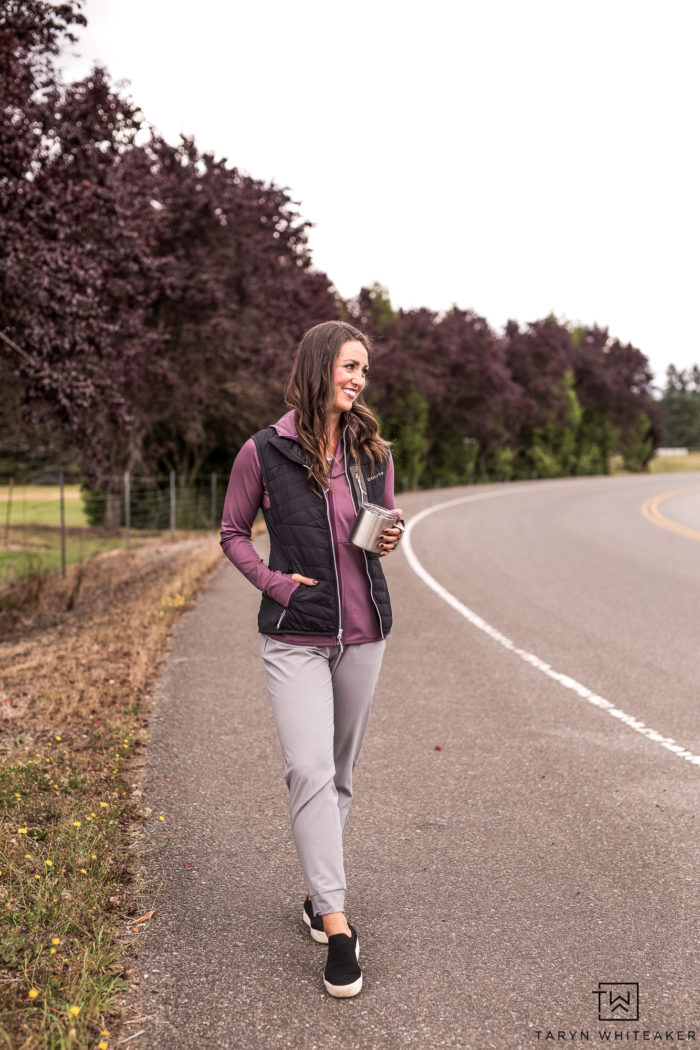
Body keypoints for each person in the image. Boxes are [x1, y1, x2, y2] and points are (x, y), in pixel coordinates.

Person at [219, 319, 403, 998]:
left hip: (364, 631)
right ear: (320, 365)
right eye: (348, 366)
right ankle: (337, 923)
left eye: (365, 370)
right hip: (294, 633)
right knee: (309, 767)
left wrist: (385, 533)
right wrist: (273, 583)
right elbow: (233, 531)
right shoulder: (262, 451)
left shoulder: (371, 452)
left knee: (341, 774)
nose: (357, 379)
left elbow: (369, 533)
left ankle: (316, 893)